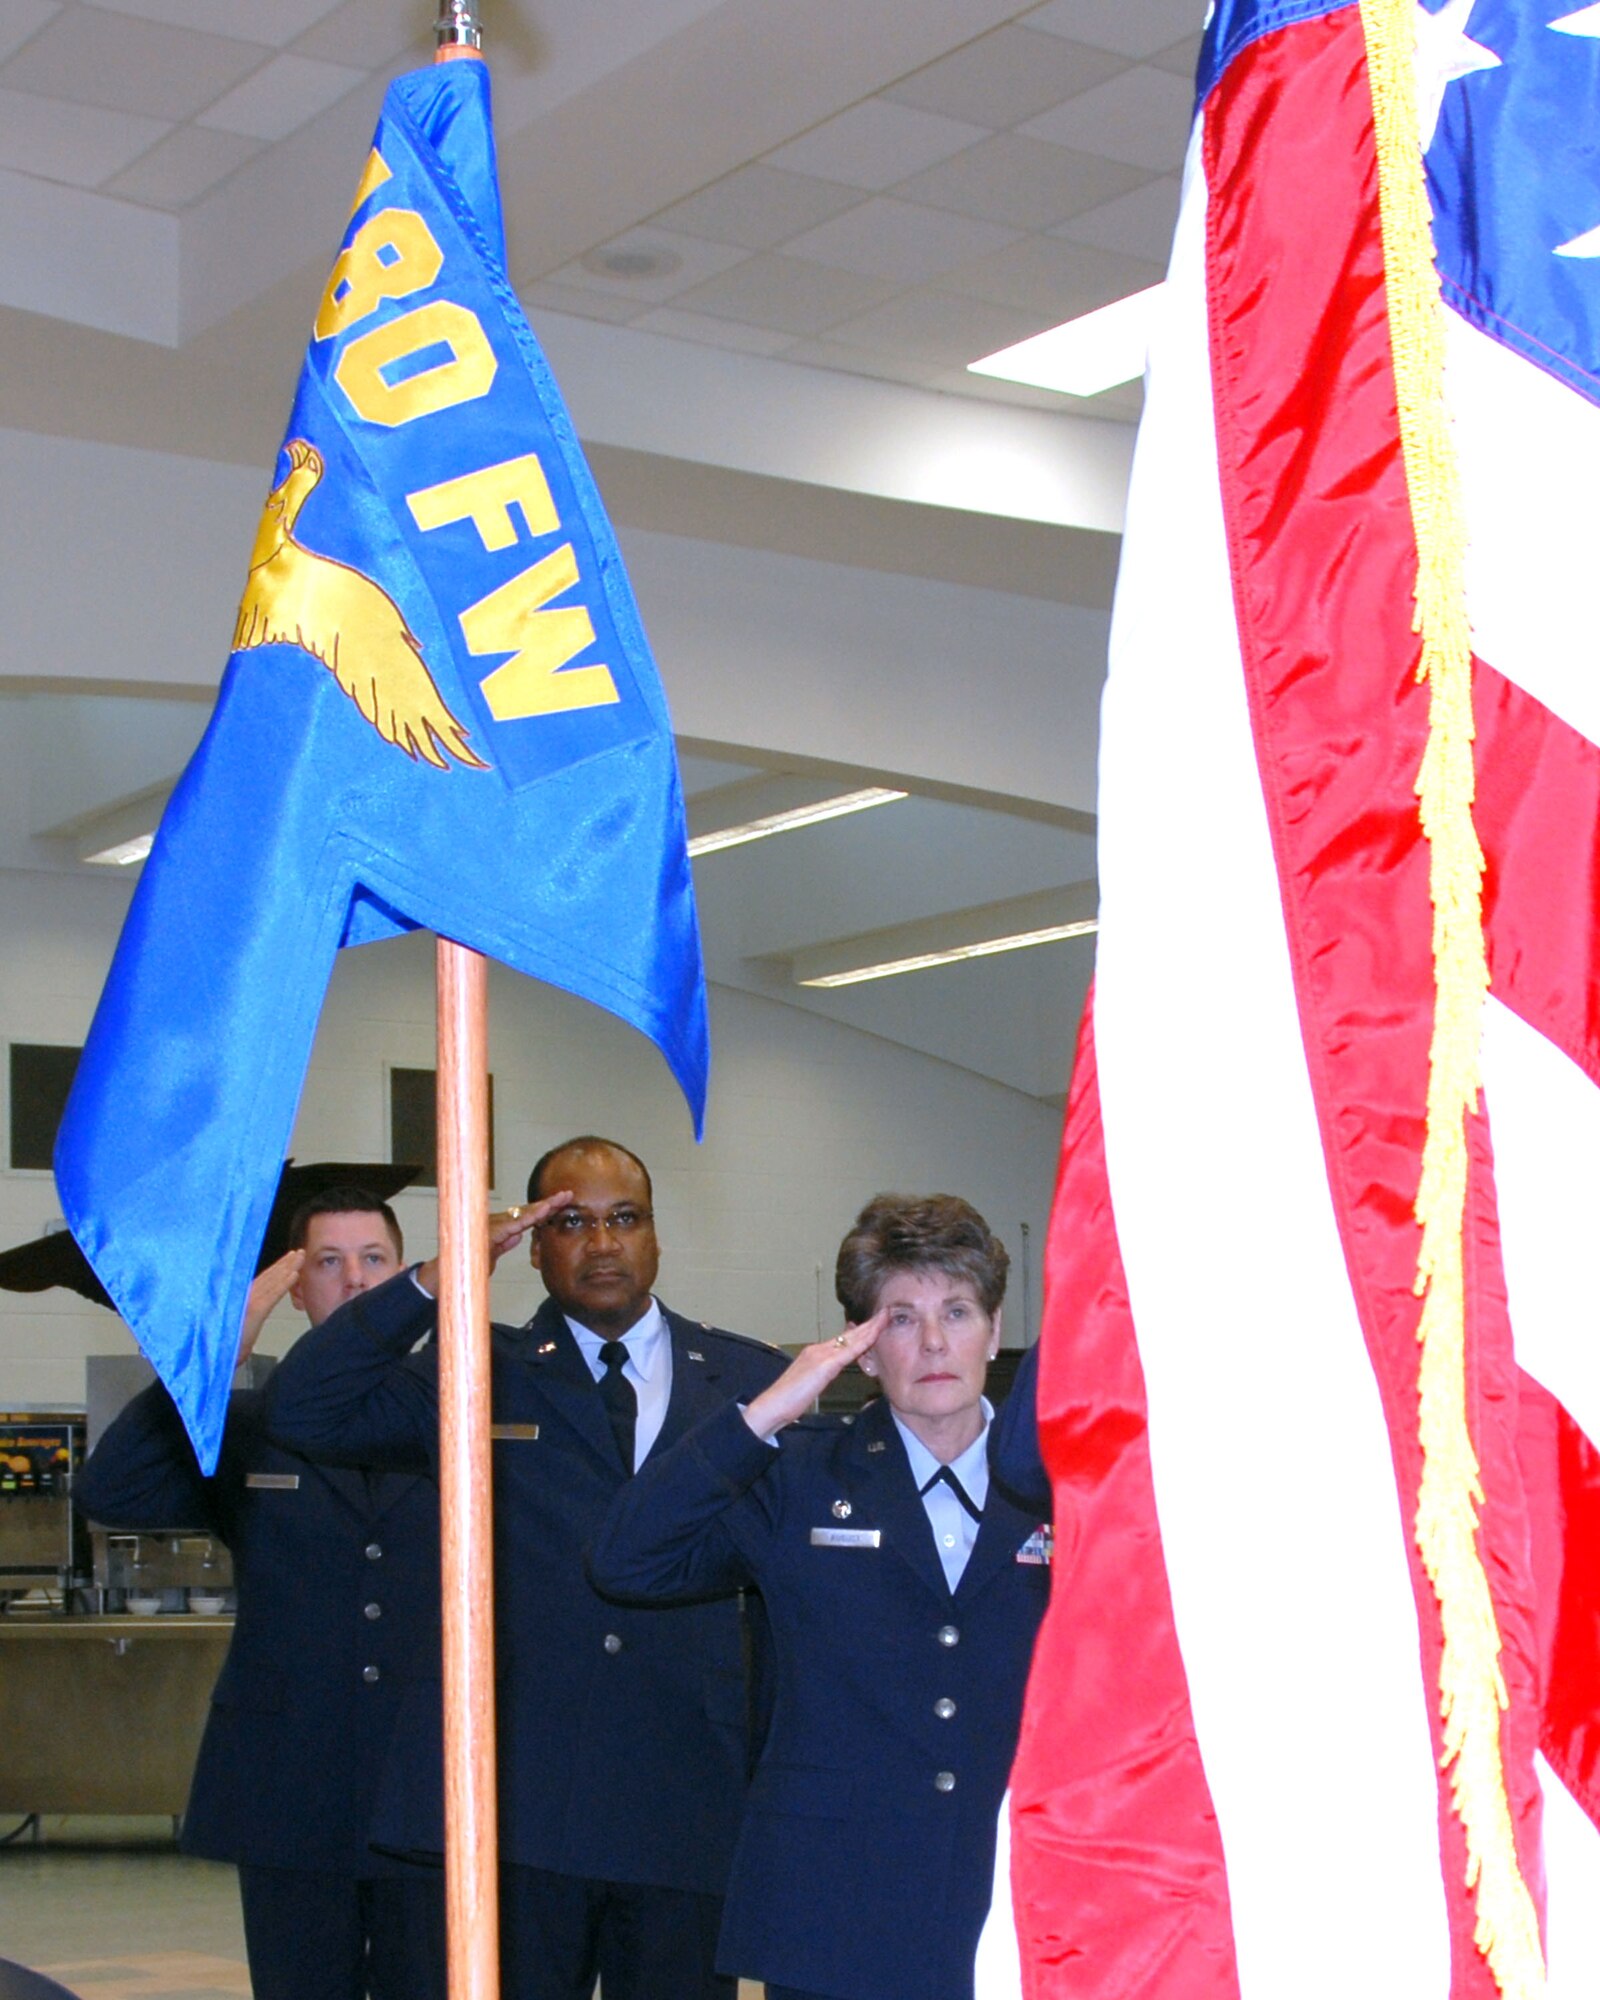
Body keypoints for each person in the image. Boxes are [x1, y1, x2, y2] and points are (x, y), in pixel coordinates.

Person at [262, 1136, 787, 2000]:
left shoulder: (746, 1376)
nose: (604, 1242)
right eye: (572, 1223)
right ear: (534, 1248)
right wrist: (441, 1277)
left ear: (656, 1236)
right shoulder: (478, 1370)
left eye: (625, 1218)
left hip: (686, 1794)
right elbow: (309, 1406)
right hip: (524, 1805)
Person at [589, 1191, 1052, 2000]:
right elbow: (627, 1560)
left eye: (958, 1310)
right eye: (900, 1320)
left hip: (1014, 1899)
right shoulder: (802, 1473)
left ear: (997, 1328)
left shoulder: (1055, 1481)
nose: (935, 1341)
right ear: (862, 1351)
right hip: (834, 1909)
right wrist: (765, 1413)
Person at [76, 1187, 445, 2000]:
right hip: (289, 1788)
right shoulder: (247, 1424)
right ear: (297, 1288)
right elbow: (113, 1493)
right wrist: (212, 1362)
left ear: (410, 1273)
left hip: (428, 1788)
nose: (354, 1281)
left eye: (375, 1259)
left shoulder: (462, 1410)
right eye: (328, 1263)